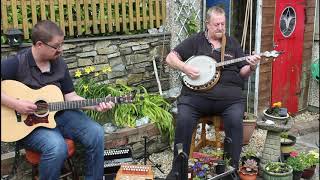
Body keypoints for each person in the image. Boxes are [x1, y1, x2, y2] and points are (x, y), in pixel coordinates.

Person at [1, 20, 114, 180]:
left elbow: (70, 97)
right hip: (28, 124)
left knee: (96, 132)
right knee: (56, 146)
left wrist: (94, 105)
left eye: (62, 44)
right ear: (39, 44)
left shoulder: (59, 63)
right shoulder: (17, 63)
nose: (61, 50)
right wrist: (16, 104)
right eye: (57, 46)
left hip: (60, 115)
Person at [165, 6, 261, 178]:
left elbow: (243, 72)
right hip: (195, 97)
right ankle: (178, 171)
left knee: (235, 121)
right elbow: (170, 58)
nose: (220, 28)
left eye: (223, 24)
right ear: (207, 24)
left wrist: (252, 66)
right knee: (184, 121)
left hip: (229, 100)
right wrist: (185, 67)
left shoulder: (232, 43)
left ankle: (230, 170)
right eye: (216, 24)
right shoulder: (195, 41)